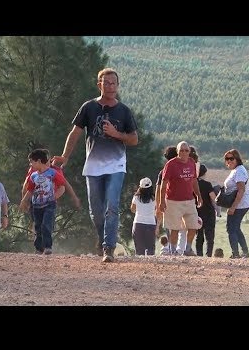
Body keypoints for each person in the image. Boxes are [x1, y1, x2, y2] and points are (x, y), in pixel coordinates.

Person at [52, 67, 138, 263]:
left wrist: (117, 134)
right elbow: (75, 133)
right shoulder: (89, 107)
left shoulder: (124, 111)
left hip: (116, 166)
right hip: (93, 167)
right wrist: (65, 156)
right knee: (96, 211)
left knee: (112, 207)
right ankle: (102, 239)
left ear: (117, 85)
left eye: (113, 83)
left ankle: (109, 247)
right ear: (99, 85)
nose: (110, 86)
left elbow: (134, 139)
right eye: (106, 83)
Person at [158, 141, 202, 256]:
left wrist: (198, 196)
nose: (184, 152)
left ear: (189, 152)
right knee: (175, 228)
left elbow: (194, 180)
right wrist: (162, 201)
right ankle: (173, 251)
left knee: (193, 225)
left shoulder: (192, 162)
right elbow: (163, 184)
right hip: (173, 201)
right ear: (177, 152)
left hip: (189, 200)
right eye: (181, 150)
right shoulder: (171, 164)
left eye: (186, 150)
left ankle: (188, 249)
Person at [20, 149, 66, 255]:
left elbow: (62, 187)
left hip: (49, 204)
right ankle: (39, 248)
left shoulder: (53, 173)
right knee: (38, 226)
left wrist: (54, 197)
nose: (30, 164)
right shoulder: (33, 175)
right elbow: (30, 190)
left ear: (39, 161)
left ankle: (48, 247)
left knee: (46, 225)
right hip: (36, 205)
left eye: (32, 161)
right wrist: (24, 200)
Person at [223, 149, 249, 259]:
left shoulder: (239, 171)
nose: (229, 161)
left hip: (240, 204)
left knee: (231, 228)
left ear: (237, 159)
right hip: (240, 203)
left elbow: (241, 190)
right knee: (236, 228)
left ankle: (235, 253)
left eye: (231, 158)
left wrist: (233, 207)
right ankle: (245, 252)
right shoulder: (236, 170)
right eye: (227, 159)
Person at [195, 164, 220, 257]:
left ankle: (199, 255)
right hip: (209, 213)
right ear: (204, 173)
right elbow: (214, 198)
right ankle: (208, 254)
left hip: (197, 213)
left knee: (199, 236)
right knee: (209, 236)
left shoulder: (193, 185)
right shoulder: (207, 184)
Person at [130, 177, 157, 256]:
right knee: (150, 249)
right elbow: (156, 209)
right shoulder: (155, 198)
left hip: (138, 223)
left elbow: (132, 209)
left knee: (139, 249)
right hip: (151, 224)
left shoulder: (136, 197)